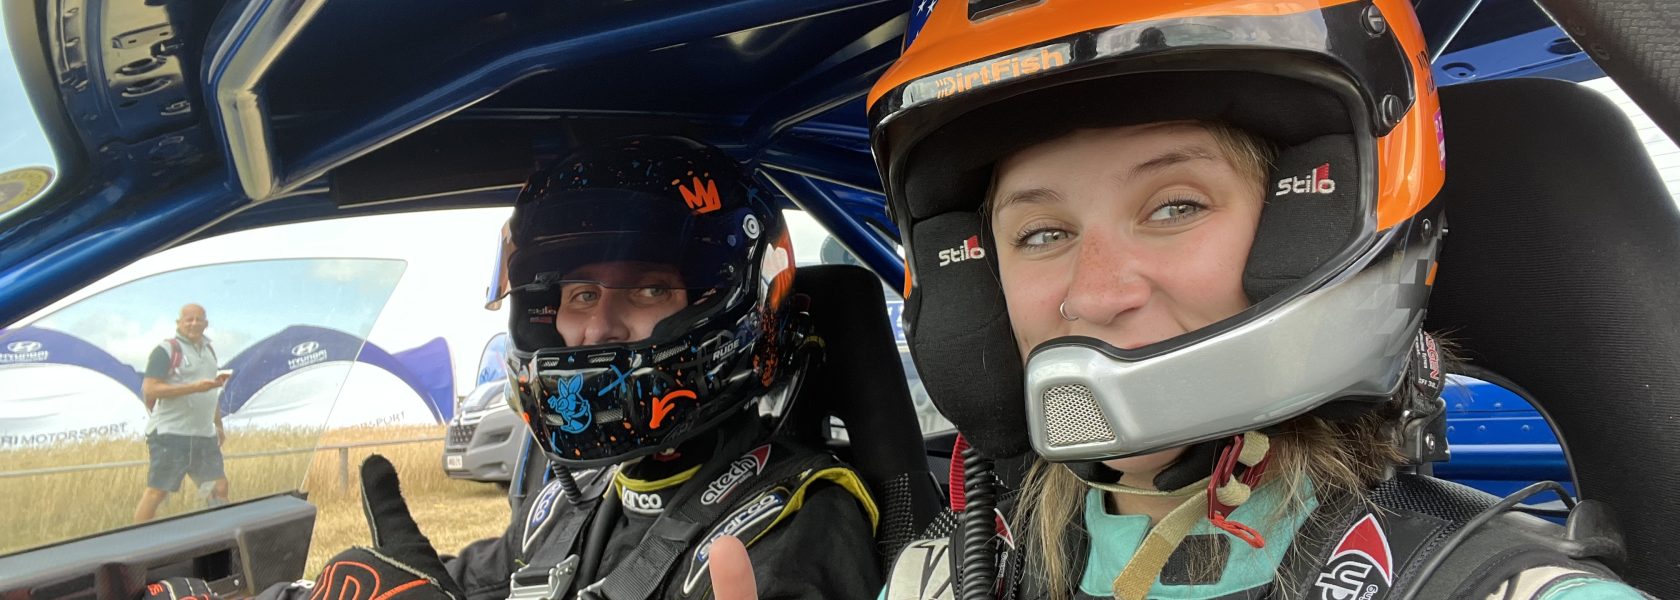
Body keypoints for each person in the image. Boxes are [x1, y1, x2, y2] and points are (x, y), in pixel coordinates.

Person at [855, 1, 1651, 599]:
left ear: (1317, 227)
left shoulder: (1496, 586)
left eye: (1175, 207)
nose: (1095, 294)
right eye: (1041, 234)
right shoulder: (940, 576)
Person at [230, 136, 882, 600]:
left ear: (730, 304)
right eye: (581, 295)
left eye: (649, 288)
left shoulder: (803, 519)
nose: (598, 328)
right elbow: (468, 583)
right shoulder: (574, 497)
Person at [134, 303, 231, 523]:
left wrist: (218, 425)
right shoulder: (165, 350)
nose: (194, 324)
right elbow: (150, 389)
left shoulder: (209, 352)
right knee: (158, 492)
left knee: (219, 487)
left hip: (203, 434)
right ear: (179, 323)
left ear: (206, 324)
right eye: (189, 319)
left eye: (199, 319)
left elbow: (210, 393)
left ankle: (222, 534)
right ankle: (136, 539)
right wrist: (194, 388)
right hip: (170, 433)